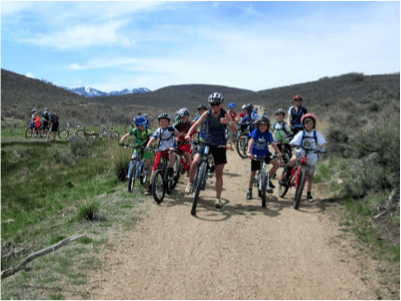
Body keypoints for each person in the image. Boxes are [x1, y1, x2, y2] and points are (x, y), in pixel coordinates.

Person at [184, 92, 238, 209]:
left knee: (219, 173)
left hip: (220, 144)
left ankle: (218, 198)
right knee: (194, 162)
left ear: (221, 104)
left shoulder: (226, 114)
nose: (214, 107)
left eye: (217, 104)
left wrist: (227, 122)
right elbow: (196, 124)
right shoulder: (207, 114)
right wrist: (188, 134)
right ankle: (190, 184)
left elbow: (235, 128)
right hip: (207, 142)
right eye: (212, 104)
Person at [280, 113, 327, 201]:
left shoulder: (316, 134)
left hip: (312, 155)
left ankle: (309, 193)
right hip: (301, 152)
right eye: (306, 123)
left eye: (310, 123)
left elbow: (323, 143)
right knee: (292, 161)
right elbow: (293, 141)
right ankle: (286, 177)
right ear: (303, 124)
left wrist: (323, 149)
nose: (308, 125)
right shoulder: (301, 133)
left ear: (313, 124)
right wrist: (292, 144)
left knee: (310, 175)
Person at [246, 116, 281, 200]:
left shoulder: (268, 134)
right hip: (256, 154)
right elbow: (251, 141)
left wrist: (278, 152)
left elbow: (273, 143)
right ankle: (249, 191)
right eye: (261, 125)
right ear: (258, 126)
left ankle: (267, 179)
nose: (263, 127)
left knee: (276, 164)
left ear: (267, 126)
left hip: (265, 153)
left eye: (265, 125)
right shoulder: (255, 132)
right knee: (253, 174)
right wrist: (248, 152)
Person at [145, 113, 180, 195]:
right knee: (155, 167)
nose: (163, 123)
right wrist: (147, 147)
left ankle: (171, 169)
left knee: (172, 153)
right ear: (159, 123)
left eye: (165, 121)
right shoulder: (159, 130)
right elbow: (153, 139)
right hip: (161, 149)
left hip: (171, 147)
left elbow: (178, 135)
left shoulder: (171, 129)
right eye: (161, 121)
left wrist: (175, 132)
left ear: (168, 122)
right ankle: (150, 185)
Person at [119, 115, 153, 192]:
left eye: (143, 124)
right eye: (140, 125)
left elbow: (151, 137)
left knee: (148, 164)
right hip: (137, 148)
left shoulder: (147, 131)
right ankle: (129, 175)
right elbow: (127, 135)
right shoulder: (135, 130)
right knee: (132, 159)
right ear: (137, 125)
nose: (142, 126)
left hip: (146, 148)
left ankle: (151, 180)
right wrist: (121, 141)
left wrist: (150, 144)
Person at [174, 108, 196, 174]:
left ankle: (192, 171)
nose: (183, 118)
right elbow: (174, 133)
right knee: (174, 154)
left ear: (188, 117)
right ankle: (180, 168)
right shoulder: (178, 124)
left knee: (187, 154)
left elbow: (194, 134)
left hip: (187, 143)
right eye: (182, 117)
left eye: (185, 117)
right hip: (179, 142)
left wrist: (191, 139)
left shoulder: (191, 124)